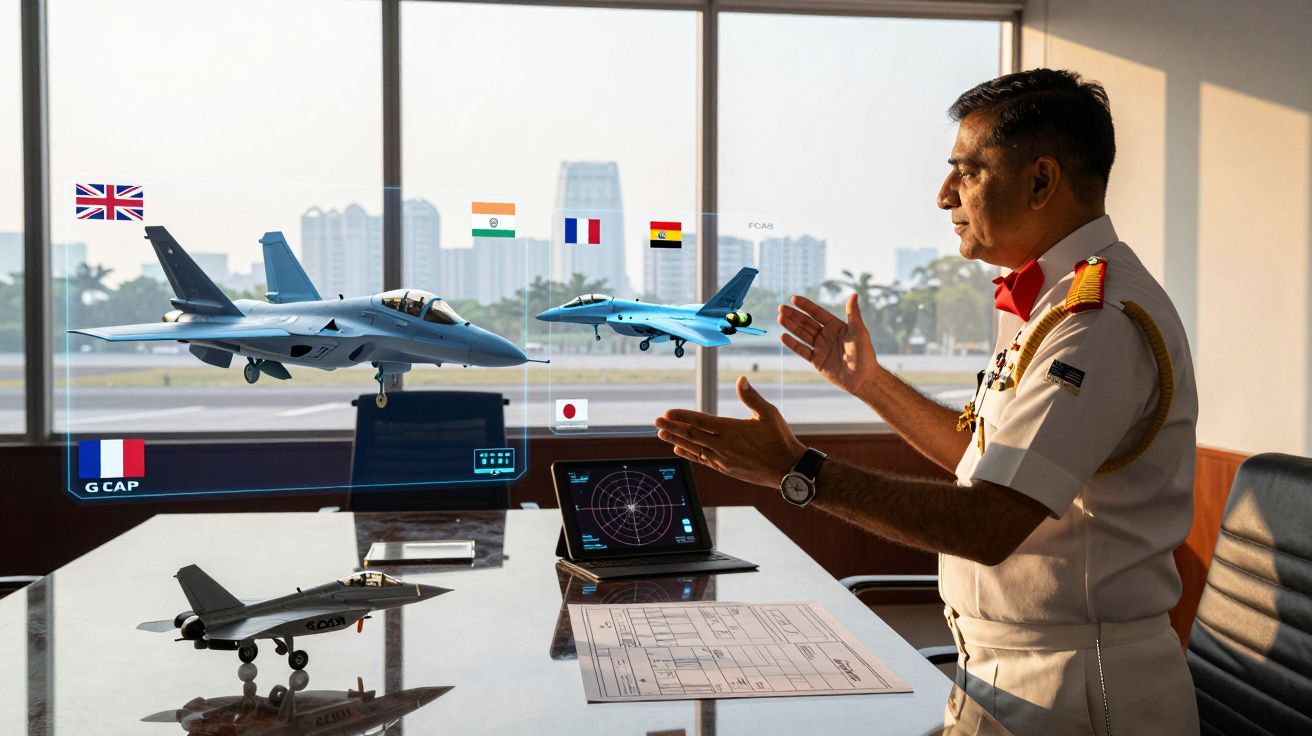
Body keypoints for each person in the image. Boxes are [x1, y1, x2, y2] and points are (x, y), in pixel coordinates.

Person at [654, 69, 1200, 736]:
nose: (945, 196)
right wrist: (870, 384)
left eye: (966, 171)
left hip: (1079, 692)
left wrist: (798, 473)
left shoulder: (1097, 321)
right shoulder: (1053, 307)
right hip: (1004, 673)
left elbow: (988, 523)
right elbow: (989, 463)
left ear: (1040, 181)